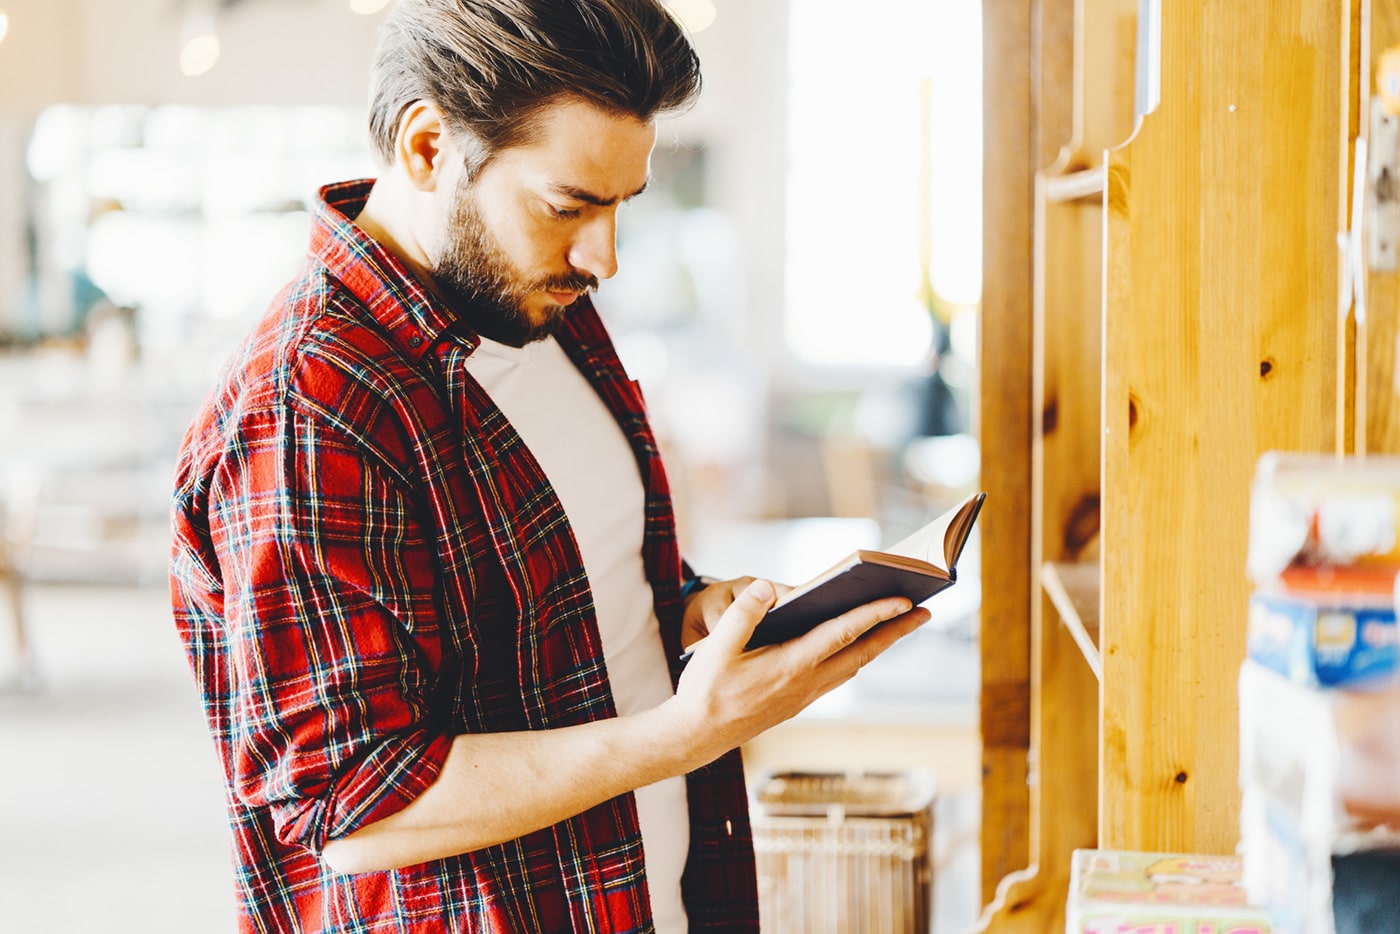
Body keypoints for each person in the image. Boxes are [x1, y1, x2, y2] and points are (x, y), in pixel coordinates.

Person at [169, 1, 930, 931]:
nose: (602, 255)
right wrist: (688, 734)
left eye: (619, 206)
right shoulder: (307, 407)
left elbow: (565, 592)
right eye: (569, 205)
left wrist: (683, 610)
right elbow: (352, 806)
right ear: (425, 147)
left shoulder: (542, 306)